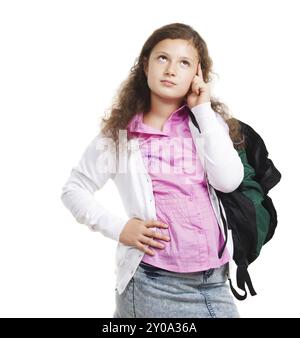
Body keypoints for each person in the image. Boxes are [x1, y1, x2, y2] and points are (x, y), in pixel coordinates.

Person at [61, 22, 245, 318]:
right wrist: (120, 228)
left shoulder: (207, 124)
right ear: (145, 65)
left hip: (215, 281)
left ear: (198, 75)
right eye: (163, 58)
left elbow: (228, 181)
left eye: (184, 63)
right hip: (153, 283)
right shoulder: (120, 136)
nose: (171, 69)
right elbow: (74, 189)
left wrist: (202, 110)